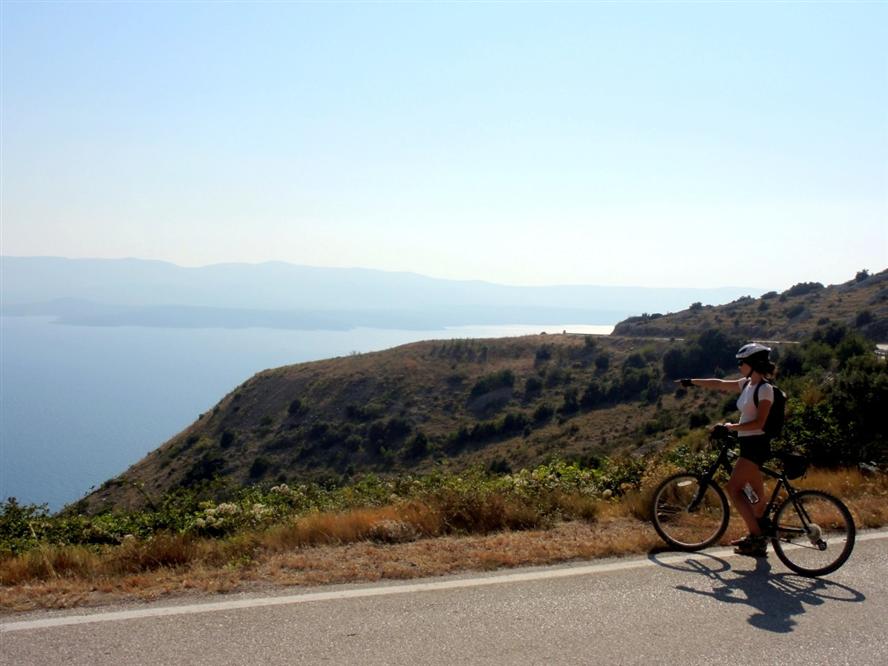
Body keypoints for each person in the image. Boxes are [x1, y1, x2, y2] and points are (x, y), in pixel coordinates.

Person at [677, 343, 777, 557]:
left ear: (753, 364)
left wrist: (731, 427)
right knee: (757, 501)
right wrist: (692, 381)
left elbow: (760, 423)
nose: (739, 366)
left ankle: (756, 538)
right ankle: (761, 531)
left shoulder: (765, 389)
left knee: (733, 488)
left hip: (756, 447)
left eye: (742, 362)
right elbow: (719, 384)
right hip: (747, 444)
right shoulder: (747, 384)